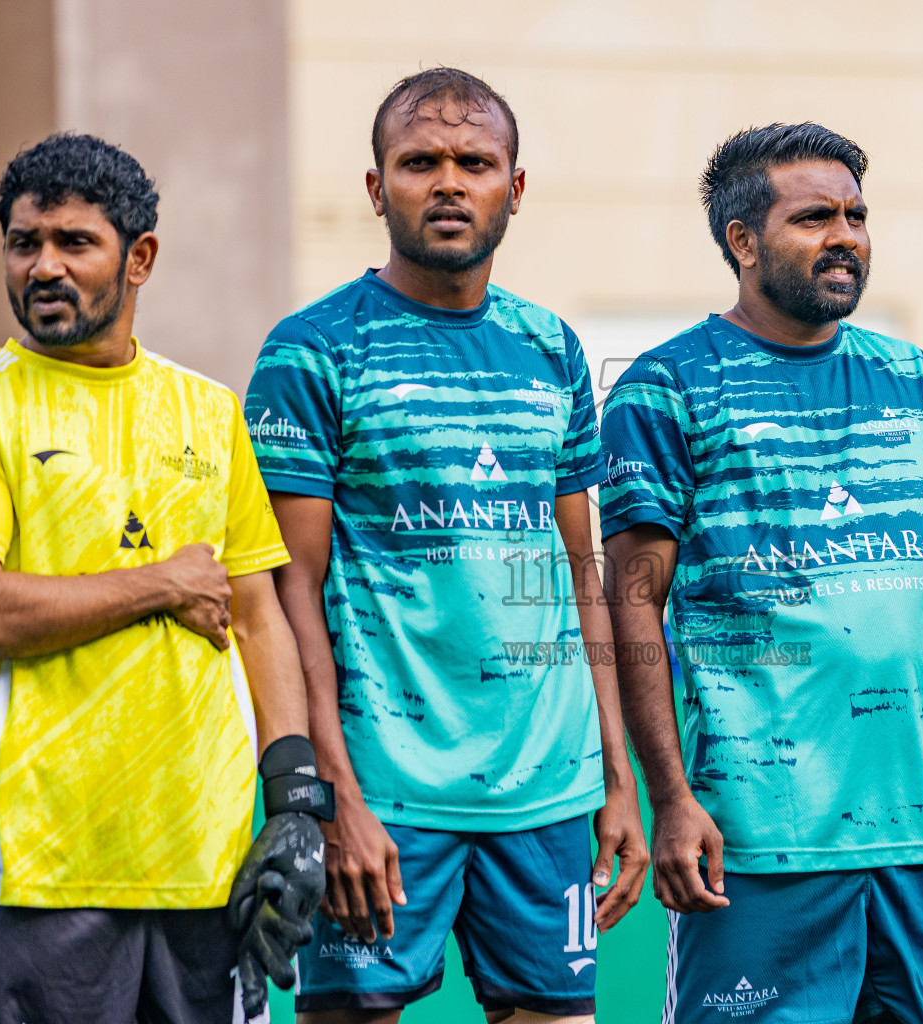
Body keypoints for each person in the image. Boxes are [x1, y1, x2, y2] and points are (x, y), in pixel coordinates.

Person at [600, 122, 923, 1024]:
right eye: (814, 218)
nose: (845, 235)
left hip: (922, 826)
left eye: (856, 215)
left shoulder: (911, 376)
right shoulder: (665, 387)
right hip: (762, 838)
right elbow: (632, 600)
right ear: (743, 240)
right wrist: (670, 797)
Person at [245, 68, 648, 1023]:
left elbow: (577, 573)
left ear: (515, 187)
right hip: (385, 789)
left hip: (546, 793)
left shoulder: (550, 347)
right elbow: (285, 590)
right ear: (378, 189)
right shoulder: (312, 350)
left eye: (476, 162)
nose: (449, 182)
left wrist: (615, 775)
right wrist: (332, 795)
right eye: (420, 162)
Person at [0, 133, 330, 1024]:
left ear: (139, 258)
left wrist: (293, 805)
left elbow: (257, 618)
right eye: (25, 243)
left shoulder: (210, 413)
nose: (43, 266)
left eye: (74, 243)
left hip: (216, 872)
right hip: (48, 872)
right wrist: (162, 584)